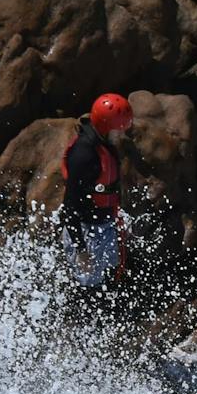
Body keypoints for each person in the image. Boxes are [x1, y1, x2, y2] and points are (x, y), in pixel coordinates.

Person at [62, 93, 134, 288]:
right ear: (106, 127)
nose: (123, 133)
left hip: (105, 223)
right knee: (87, 287)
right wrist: (81, 250)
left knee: (112, 277)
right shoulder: (84, 155)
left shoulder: (103, 143)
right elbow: (69, 207)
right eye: (119, 129)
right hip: (86, 231)